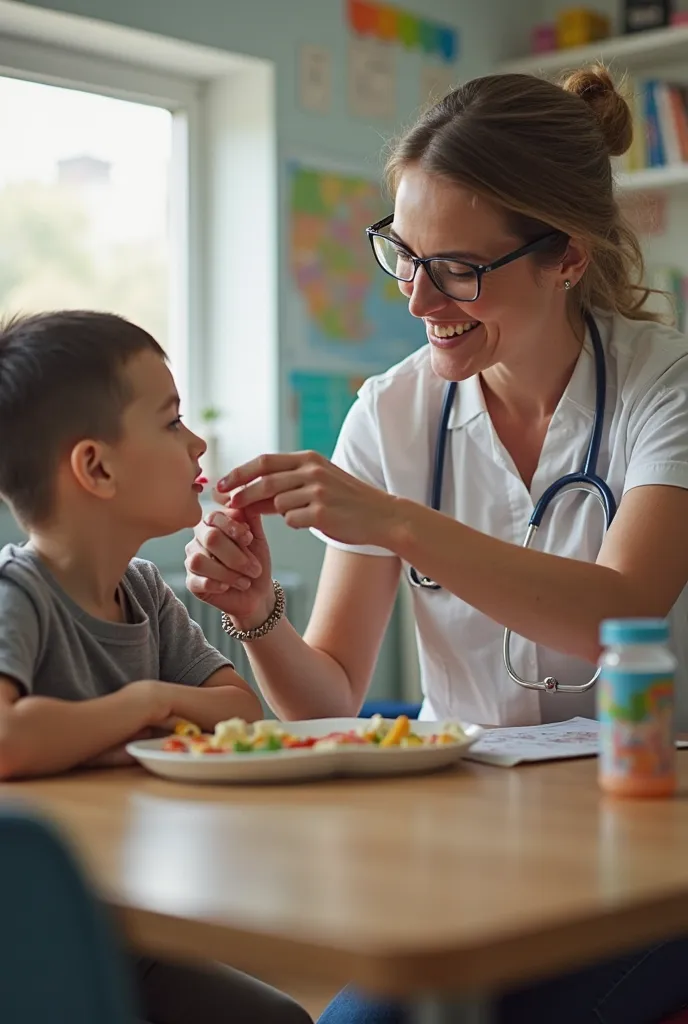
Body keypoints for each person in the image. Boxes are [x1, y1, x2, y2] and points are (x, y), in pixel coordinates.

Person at [184, 65, 688, 1023]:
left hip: (656, 842)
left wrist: (400, 523)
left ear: (567, 256)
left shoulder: (668, 388)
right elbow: (329, 695)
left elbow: (619, 615)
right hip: (474, 842)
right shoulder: (392, 413)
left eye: (458, 268)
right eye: (403, 255)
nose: (418, 300)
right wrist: (260, 617)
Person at [0, 310, 312, 1024]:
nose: (198, 441)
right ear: (96, 467)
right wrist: (146, 704)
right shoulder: (17, 593)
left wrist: (104, 730)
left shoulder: (143, 589)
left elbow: (239, 710)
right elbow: (7, 739)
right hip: (28, 945)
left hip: (129, 933)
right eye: (172, 422)